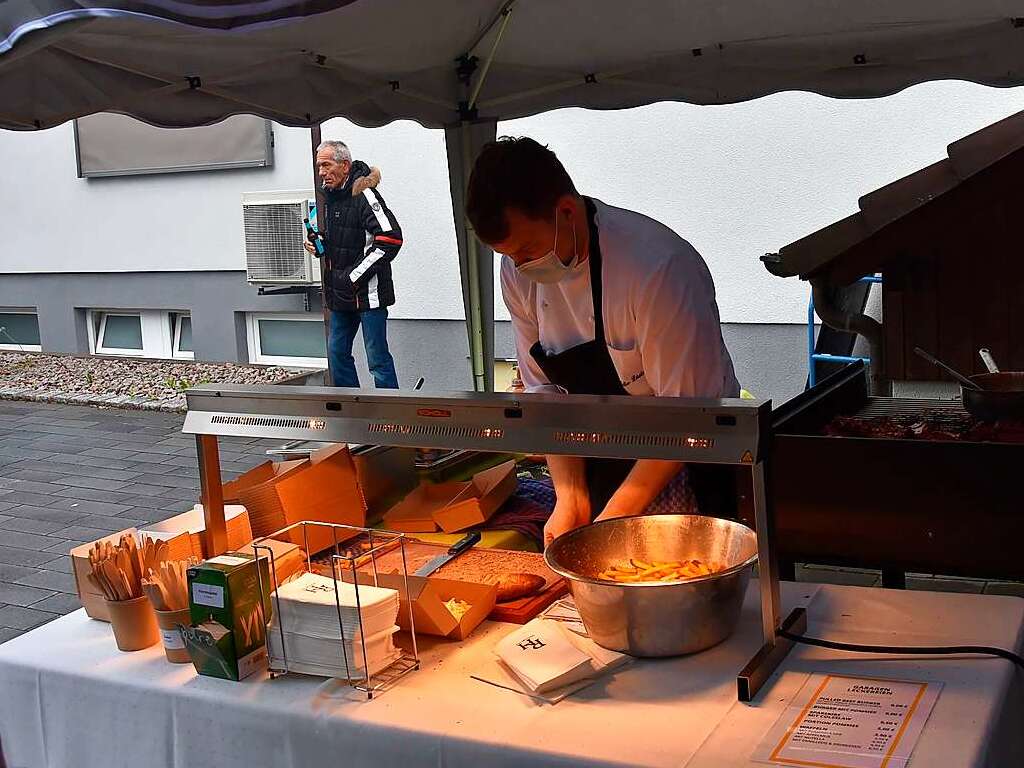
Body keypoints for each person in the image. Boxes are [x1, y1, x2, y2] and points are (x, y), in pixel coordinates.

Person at [466, 137, 740, 547]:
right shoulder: (517, 273)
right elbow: (545, 395)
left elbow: (687, 414)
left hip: (690, 459)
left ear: (566, 212)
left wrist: (613, 520)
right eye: (509, 257)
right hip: (597, 453)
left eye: (527, 250)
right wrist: (570, 497)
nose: (520, 267)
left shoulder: (656, 268)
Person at [306, 140, 402, 389]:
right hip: (340, 295)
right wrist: (320, 244)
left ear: (345, 165)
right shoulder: (330, 198)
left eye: (326, 165)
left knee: (377, 361)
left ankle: (392, 417)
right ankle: (352, 411)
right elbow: (344, 239)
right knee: (337, 355)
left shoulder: (365, 195)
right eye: (319, 167)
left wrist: (354, 277)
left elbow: (391, 239)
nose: (321, 173)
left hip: (369, 295)